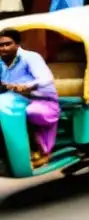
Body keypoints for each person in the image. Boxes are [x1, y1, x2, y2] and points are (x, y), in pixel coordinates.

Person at [0, 28, 60, 167]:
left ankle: (43, 152)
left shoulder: (31, 57)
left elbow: (45, 79)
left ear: (17, 44)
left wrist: (26, 86)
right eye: (0, 45)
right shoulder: (1, 62)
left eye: (7, 44)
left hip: (40, 100)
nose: (3, 48)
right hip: (11, 100)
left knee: (31, 113)